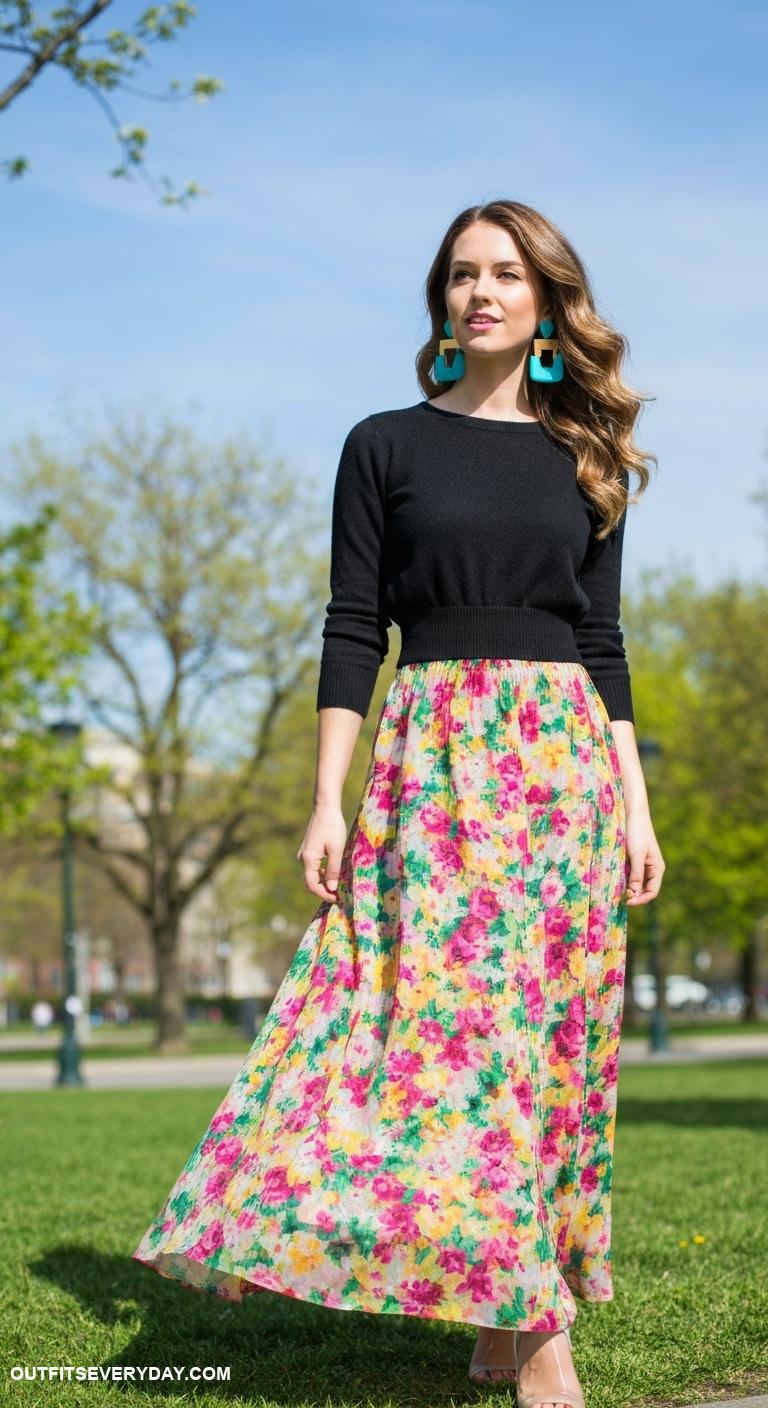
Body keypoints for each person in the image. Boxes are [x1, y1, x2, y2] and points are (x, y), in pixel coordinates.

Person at [132, 199, 664, 1408]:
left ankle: (497, 1310)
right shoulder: (384, 444)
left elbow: (605, 643)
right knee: (446, 1036)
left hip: (566, 770)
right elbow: (353, 627)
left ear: (544, 303)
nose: (481, 291)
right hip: (433, 759)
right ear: (441, 300)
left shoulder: (587, 456)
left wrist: (637, 810)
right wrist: (327, 799)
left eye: (507, 274)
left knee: (541, 1048)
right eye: (462, 274)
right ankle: (541, 1345)